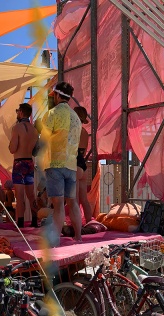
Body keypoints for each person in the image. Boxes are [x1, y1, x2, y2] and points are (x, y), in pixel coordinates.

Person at [38, 81, 83, 246]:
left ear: (57, 95)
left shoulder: (52, 113)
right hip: (71, 165)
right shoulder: (76, 117)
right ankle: (78, 236)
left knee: (58, 205)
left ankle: (55, 240)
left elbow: (44, 139)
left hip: (55, 163)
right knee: (72, 202)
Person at [7, 102, 39, 228]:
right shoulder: (34, 130)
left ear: (21, 112)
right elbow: (36, 150)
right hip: (29, 162)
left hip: (19, 163)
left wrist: (10, 144)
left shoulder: (17, 127)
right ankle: (35, 220)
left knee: (19, 196)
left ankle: (20, 223)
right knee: (31, 195)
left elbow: (12, 149)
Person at [74, 106, 98, 226]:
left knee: (74, 199)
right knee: (84, 198)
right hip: (82, 164)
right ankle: (89, 221)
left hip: (74, 163)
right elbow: (83, 152)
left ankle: (77, 224)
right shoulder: (84, 132)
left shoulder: (73, 130)